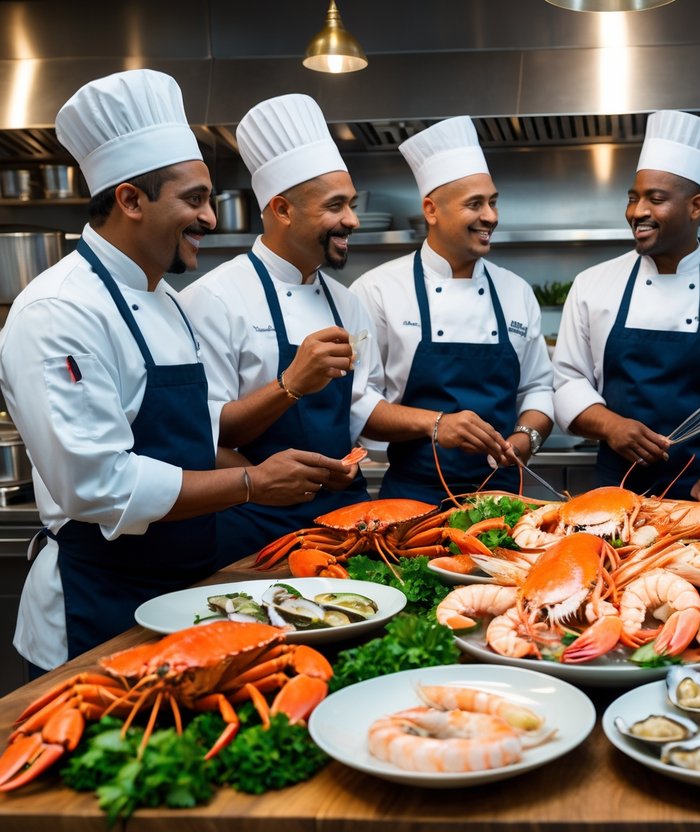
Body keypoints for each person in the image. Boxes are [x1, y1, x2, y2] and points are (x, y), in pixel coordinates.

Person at [0, 70, 348, 671]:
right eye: (193, 200)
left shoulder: (166, 301)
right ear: (131, 200)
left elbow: (190, 432)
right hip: (99, 599)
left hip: (186, 589)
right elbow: (99, 486)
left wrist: (273, 469)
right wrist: (252, 484)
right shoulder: (59, 310)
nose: (211, 219)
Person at [180, 93, 382, 562]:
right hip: (254, 525)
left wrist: (345, 466)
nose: (351, 219)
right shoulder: (213, 299)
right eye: (335, 206)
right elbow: (202, 436)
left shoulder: (347, 304)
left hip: (344, 522)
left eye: (350, 204)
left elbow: (353, 416)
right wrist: (291, 385)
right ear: (283, 209)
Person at [553, 110, 700, 503]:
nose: (638, 211)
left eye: (655, 199)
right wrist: (611, 426)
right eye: (633, 198)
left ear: (695, 206)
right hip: (613, 498)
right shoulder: (593, 285)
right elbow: (567, 380)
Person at [351, 116, 554, 503]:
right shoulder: (376, 290)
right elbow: (359, 401)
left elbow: (538, 388)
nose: (491, 216)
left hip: (504, 495)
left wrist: (525, 438)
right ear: (431, 209)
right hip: (413, 497)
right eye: (474, 204)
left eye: (493, 202)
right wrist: (436, 424)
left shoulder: (516, 292)